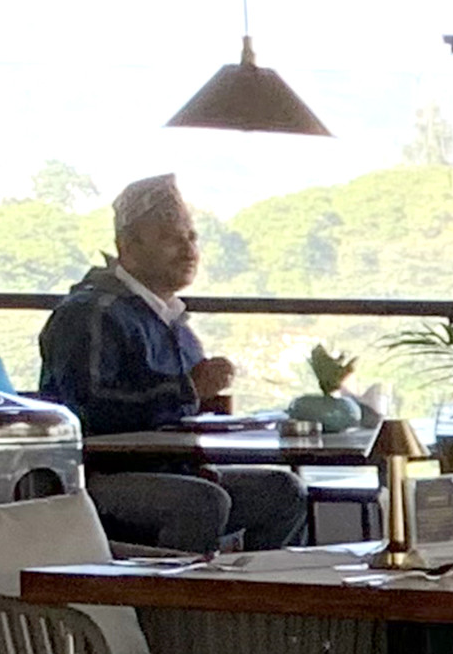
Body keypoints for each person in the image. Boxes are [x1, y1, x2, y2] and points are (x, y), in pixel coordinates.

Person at [38, 175, 305, 549]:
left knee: (282, 491)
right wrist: (189, 389)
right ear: (128, 246)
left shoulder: (171, 321)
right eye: (171, 238)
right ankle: (178, 589)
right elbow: (89, 408)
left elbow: (185, 408)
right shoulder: (90, 313)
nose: (188, 249)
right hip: (94, 477)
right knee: (202, 503)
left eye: (192, 237)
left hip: (171, 467)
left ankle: (252, 586)